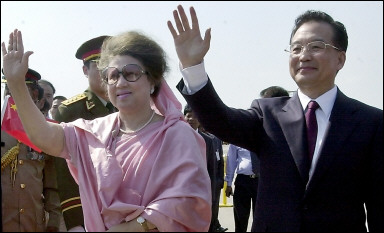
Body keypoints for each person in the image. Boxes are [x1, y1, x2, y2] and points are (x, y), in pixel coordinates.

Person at [170, 5, 383, 232]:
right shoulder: (267, 115)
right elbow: (219, 121)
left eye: (316, 47)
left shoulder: (370, 122)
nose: (304, 55)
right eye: (296, 48)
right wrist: (193, 67)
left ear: (340, 59)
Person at [2, 29, 212, 232]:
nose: (120, 83)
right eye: (112, 76)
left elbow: (189, 200)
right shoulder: (94, 131)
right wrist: (17, 84)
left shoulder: (177, 135)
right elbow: (44, 137)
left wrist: (135, 226)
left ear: (153, 80)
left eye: (131, 73)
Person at [52, 35, 115, 232]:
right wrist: (75, 221)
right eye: (99, 65)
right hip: (90, 213)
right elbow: (64, 171)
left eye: (110, 65)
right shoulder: (71, 110)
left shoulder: (126, 107)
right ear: (85, 70)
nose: (106, 72)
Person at [1, 68, 61, 232]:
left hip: (33, 223)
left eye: (20, 90)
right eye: (8, 89)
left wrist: (54, 221)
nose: (12, 95)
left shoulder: (46, 132)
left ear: (35, 95)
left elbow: (52, 185)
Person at [184, 104, 219, 232]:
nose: (191, 119)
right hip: (180, 192)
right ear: (183, 117)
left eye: (195, 116)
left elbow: (212, 170)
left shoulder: (208, 141)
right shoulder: (174, 138)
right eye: (188, 116)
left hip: (201, 193)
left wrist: (212, 196)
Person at [200, 126, 227, 232]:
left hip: (215, 182)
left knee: (214, 208)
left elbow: (220, 161)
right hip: (203, 182)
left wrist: (220, 180)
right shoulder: (202, 138)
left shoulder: (216, 139)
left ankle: (215, 225)